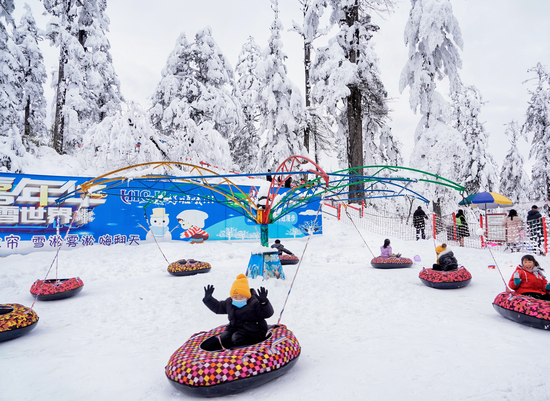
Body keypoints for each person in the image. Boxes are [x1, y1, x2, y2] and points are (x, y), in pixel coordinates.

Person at [203, 274, 274, 349]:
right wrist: (208, 300)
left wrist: (264, 303)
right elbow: (218, 307)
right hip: (235, 328)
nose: (238, 299)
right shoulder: (229, 303)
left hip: (254, 330)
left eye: (242, 297)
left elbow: (267, 314)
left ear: (247, 297)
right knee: (224, 336)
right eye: (235, 297)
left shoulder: (254, 303)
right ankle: (229, 353)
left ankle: (243, 352)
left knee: (237, 337)